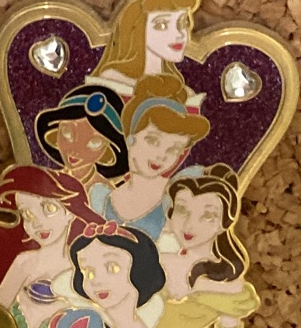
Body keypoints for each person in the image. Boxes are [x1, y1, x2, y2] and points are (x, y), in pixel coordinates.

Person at [0, 167, 97, 328]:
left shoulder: (87, 267)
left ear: (69, 213)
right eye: (27, 214)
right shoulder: (25, 262)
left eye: (49, 208)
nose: (37, 223)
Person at [155, 168, 259, 328]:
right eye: (182, 210)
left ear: (224, 222)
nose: (190, 224)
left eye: (208, 216)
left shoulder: (229, 287)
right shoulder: (156, 257)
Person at [87, 80, 210, 236]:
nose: (161, 155)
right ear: (131, 137)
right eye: (153, 141)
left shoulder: (178, 198)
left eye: (173, 149)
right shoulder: (101, 197)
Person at [44, 227, 172, 328]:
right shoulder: (81, 326)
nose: (96, 281)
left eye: (112, 267)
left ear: (141, 268)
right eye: (88, 272)